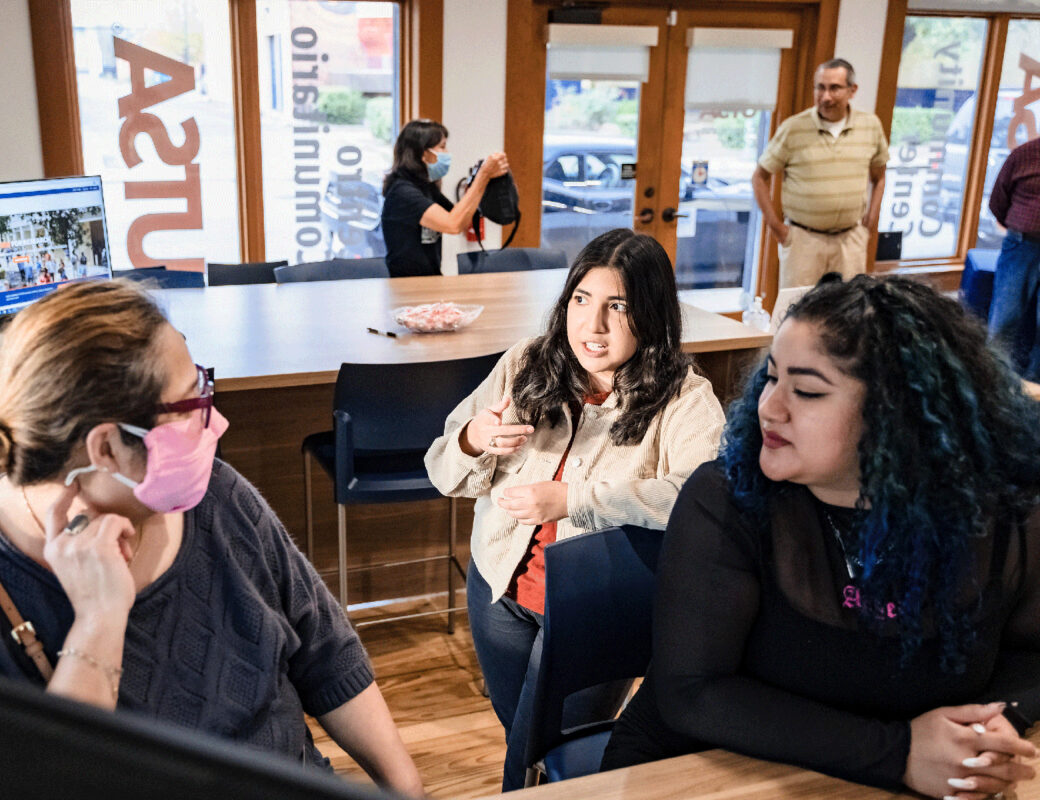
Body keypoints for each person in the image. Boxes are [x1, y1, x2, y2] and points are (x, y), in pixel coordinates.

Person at [0, 281, 424, 797]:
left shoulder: (214, 496)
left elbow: (327, 656)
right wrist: (98, 620)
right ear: (109, 448)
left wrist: (409, 791)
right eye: (193, 403)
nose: (216, 421)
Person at [601, 274, 1040, 800]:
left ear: (897, 416)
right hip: (702, 770)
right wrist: (897, 752)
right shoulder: (727, 498)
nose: (769, 407)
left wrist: (999, 722)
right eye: (771, 378)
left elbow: (1030, 652)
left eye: (806, 391)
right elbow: (692, 693)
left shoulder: (1007, 514)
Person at [424, 229, 726, 790]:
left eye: (619, 306)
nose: (594, 326)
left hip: (594, 613)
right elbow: (441, 470)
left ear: (652, 314)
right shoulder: (525, 363)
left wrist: (574, 501)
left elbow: (701, 499)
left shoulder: (684, 399)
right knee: (524, 732)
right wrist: (471, 438)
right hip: (499, 589)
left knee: (542, 753)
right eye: (582, 301)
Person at [752, 59, 889, 288]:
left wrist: (870, 222)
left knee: (848, 314)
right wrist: (777, 228)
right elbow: (759, 177)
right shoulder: (794, 128)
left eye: (834, 88)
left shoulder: (870, 125)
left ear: (852, 90)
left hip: (850, 241)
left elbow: (880, 176)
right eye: (820, 87)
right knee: (797, 312)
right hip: (803, 241)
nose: (826, 97)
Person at [380, 118, 509, 277]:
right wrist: (483, 176)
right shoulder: (402, 192)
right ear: (423, 154)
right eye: (442, 147)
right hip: (407, 285)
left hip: (430, 279)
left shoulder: (425, 186)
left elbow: (463, 220)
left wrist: (481, 181)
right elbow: (452, 225)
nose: (447, 153)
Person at [987, 135, 1040, 382]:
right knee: (1004, 320)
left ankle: (1035, 386)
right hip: (1021, 246)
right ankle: (994, 383)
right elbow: (998, 201)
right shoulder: (1023, 155)